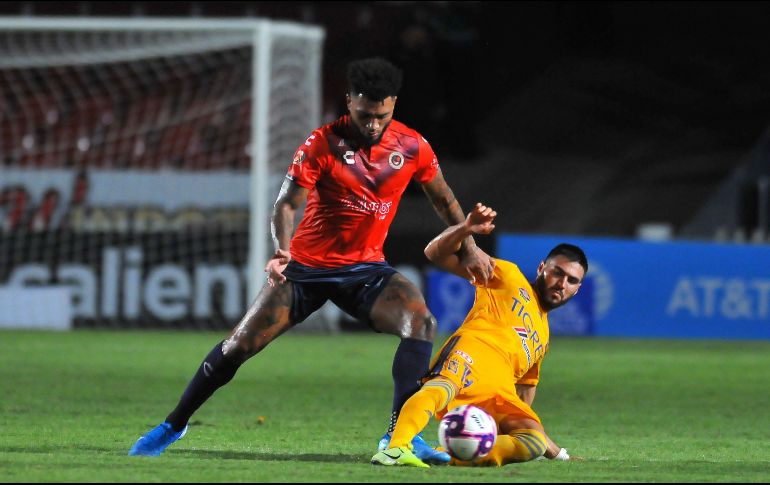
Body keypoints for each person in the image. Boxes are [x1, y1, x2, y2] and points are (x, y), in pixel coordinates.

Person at [128, 57, 494, 461]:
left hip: (365, 270)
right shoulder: (321, 143)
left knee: (420, 322)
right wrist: (281, 249)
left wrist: (470, 246)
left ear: (393, 103)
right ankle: (173, 425)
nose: (373, 125)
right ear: (349, 100)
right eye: (364, 115)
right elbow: (286, 205)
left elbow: (443, 198)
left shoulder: (412, 146)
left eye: (382, 115)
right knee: (237, 347)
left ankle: (399, 437)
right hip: (305, 268)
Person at [371, 203, 587, 467]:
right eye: (557, 272)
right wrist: (464, 230)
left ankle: (447, 457)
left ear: (577, 289)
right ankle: (396, 447)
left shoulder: (543, 337)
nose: (562, 284)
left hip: (498, 394)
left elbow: (525, 393)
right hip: (470, 355)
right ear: (542, 267)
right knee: (438, 390)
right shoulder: (508, 276)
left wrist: (557, 453)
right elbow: (435, 253)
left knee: (533, 441)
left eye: (572, 281)